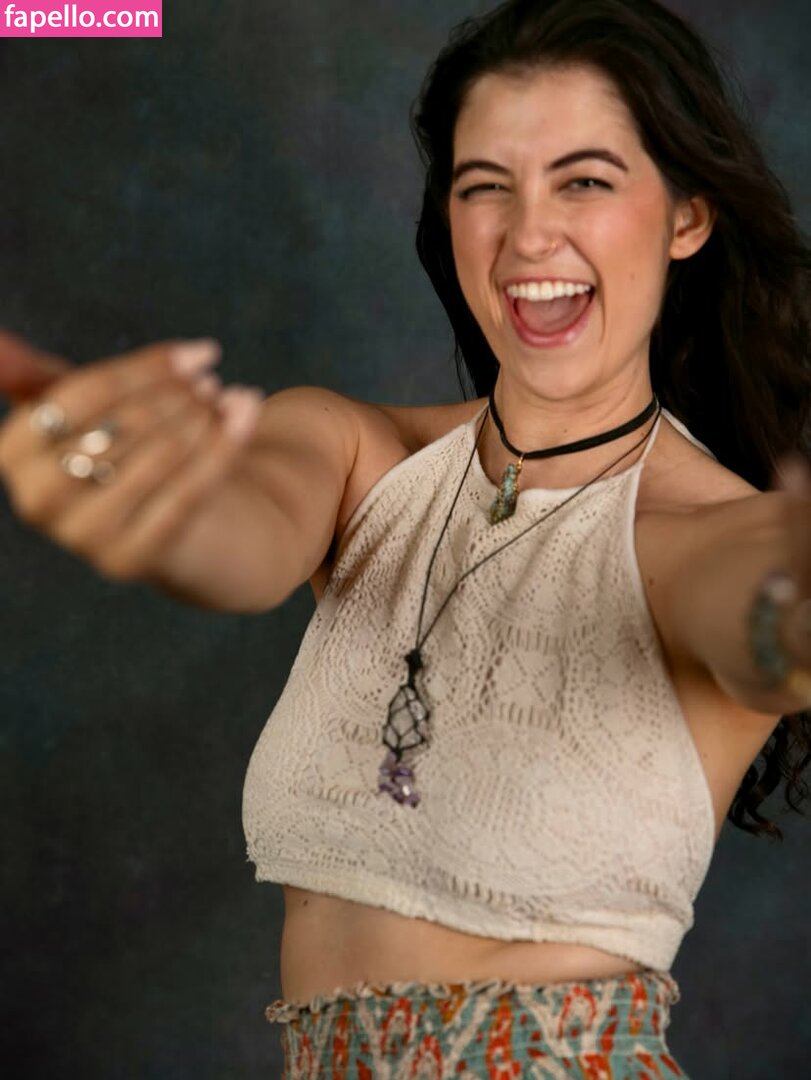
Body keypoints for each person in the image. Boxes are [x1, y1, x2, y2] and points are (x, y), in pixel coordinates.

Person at [1, 0, 809, 1075]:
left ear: (686, 218)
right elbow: (239, 536)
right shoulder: (358, 451)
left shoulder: (706, 533)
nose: (528, 236)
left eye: (584, 181)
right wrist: (151, 496)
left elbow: (754, 603)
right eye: (486, 186)